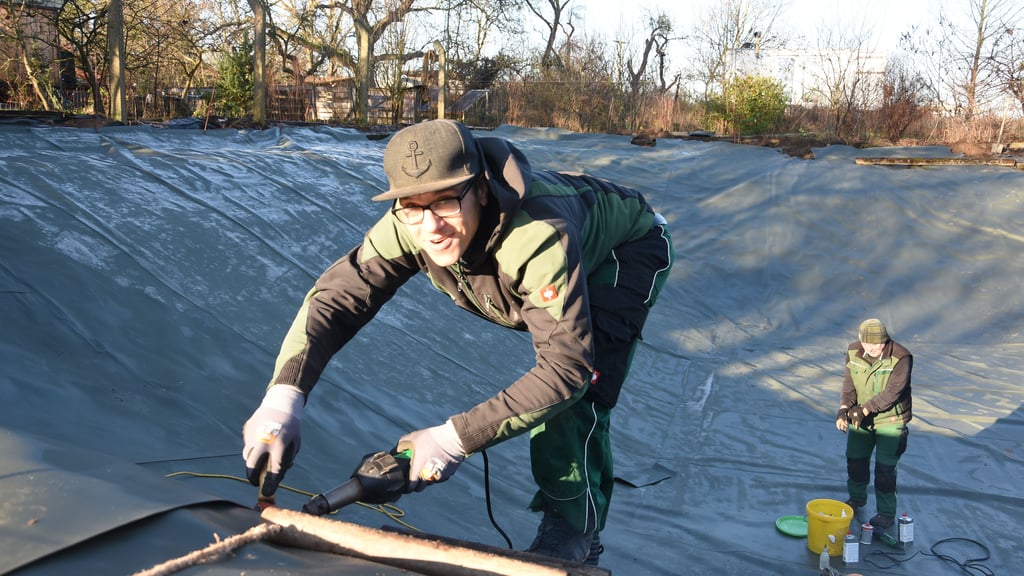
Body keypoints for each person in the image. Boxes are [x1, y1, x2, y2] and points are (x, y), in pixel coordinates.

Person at [241, 119, 673, 565]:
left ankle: (575, 530)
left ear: (482, 189)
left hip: (625, 251)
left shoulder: (538, 234)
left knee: (580, 391)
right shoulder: (408, 224)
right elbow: (336, 299)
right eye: (412, 207)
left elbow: (567, 371)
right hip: (536, 270)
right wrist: (283, 397)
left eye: (446, 202)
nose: (431, 227)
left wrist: (454, 439)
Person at [835, 318, 913, 531]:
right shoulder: (853, 352)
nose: (872, 348)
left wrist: (865, 409)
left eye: (877, 344)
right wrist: (844, 409)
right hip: (861, 418)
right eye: (867, 344)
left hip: (890, 420)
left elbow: (892, 392)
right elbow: (849, 385)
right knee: (855, 461)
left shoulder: (901, 357)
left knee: (885, 469)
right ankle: (857, 499)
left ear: (885, 341)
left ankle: (886, 513)